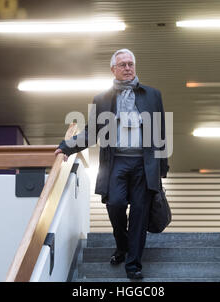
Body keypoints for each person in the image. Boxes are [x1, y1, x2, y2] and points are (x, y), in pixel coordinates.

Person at [55, 49, 169, 279]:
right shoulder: (102, 99)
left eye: (131, 64)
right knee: (115, 204)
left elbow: (161, 132)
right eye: (123, 64)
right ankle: (122, 245)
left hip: (144, 164)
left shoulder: (152, 95)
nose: (128, 68)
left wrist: (162, 169)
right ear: (113, 69)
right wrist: (66, 146)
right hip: (115, 161)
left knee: (139, 213)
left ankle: (133, 266)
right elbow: (91, 133)